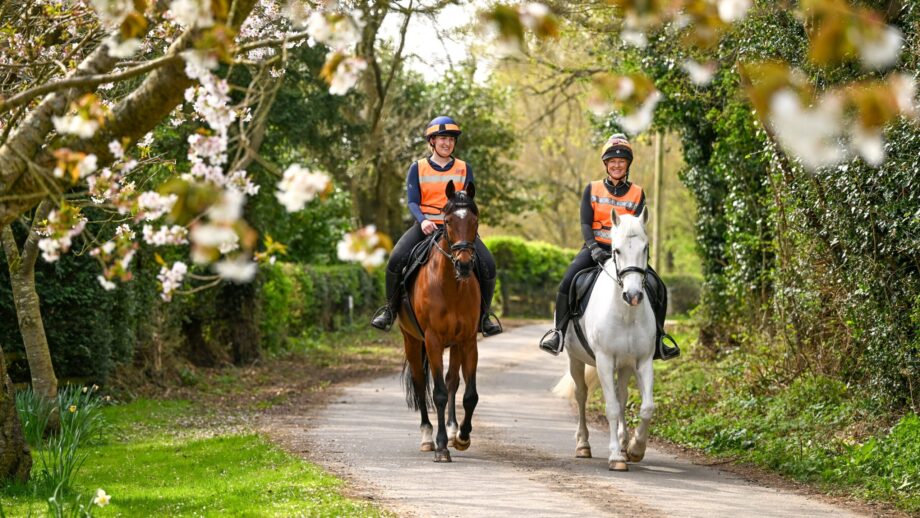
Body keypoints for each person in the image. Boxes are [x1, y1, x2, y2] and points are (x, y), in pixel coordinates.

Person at [538, 133, 679, 359]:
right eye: (612, 162)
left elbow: (639, 228)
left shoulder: (637, 193)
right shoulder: (592, 189)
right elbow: (585, 222)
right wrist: (593, 248)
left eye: (621, 162)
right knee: (567, 282)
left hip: (626, 254)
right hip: (594, 249)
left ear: (627, 165)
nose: (616, 165)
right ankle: (558, 333)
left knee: (657, 286)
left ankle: (659, 339)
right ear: (606, 164)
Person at [370, 116, 502, 337]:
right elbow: (412, 201)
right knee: (395, 260)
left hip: (458, 229)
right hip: (426, 226)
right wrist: (423, 220)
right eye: (441, 139)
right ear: (431, 142)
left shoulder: (463, 168)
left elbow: (468, 201)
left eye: (450, 139)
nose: (446, 143)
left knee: (488, 264)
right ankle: (389, 310)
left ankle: (484, 316)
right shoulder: (417, 168)